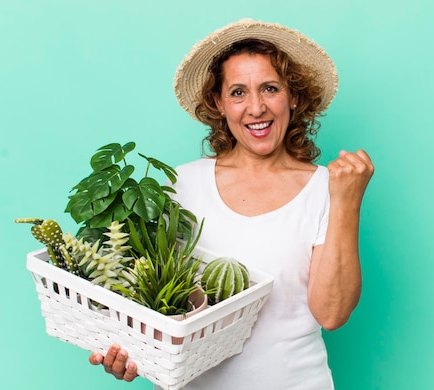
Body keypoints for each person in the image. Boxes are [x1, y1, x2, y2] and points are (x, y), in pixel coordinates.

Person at [89, 18, 374, 389]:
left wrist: (347, 203)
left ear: (294, 97)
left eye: (270, 88)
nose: (256, 108)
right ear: (219, 103)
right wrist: (129, 351)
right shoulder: (179, 185)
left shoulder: (327, 188)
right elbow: (149, 299)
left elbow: (332, 313)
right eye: (238, 92)